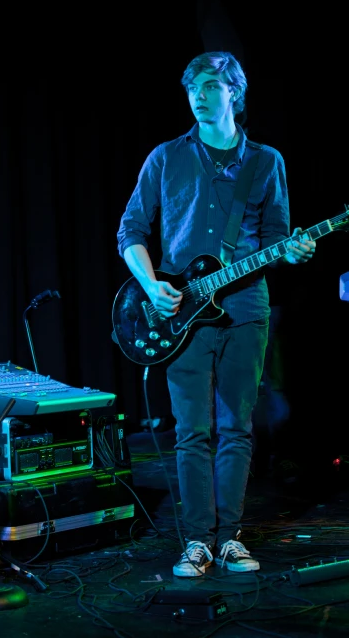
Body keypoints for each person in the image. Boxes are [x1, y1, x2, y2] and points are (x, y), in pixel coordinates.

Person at [116, 50, 315, 577]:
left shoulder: (266, 161)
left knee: (237, 429)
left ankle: (230, 539)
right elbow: (130, 231)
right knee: (192, 431)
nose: (199, 97)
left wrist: (292, 250)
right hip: (180, 313)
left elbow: (276, 240)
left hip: (247, 309)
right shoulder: (165, 157)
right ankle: (197, 542)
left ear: (234, 92)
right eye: (192, 89)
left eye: (209, 86)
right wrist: (151, 284)